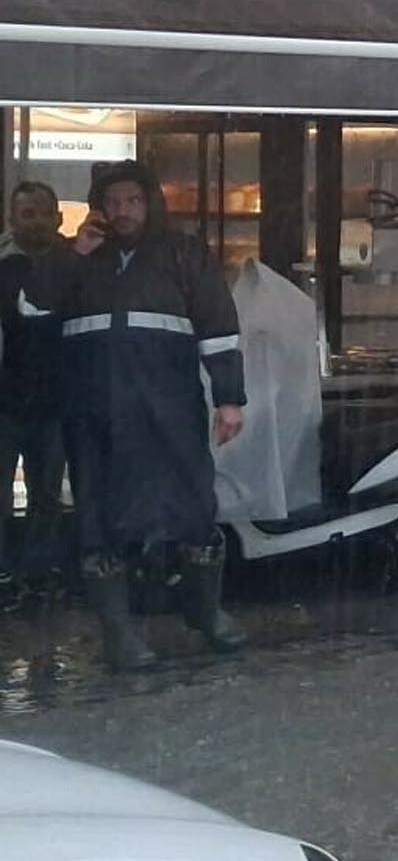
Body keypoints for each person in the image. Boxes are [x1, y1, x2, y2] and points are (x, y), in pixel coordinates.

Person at [11, 161, 247, 668]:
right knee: (98, 515)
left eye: (132, 201)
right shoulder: (72, 258)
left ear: (150, 203)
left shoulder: (185, 253)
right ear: (99, 206)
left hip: (169, 408)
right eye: (113, 202)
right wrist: (72, 255)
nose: (122, 212)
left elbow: (219, 326)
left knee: (193, 504)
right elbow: (30, 309)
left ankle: (206, 612)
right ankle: (120, 635)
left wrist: (230, 398)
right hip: (93, 413)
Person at [0, 182, 72, 584]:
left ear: (59, 217)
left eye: (44, 212)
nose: (38, 222)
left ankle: (39, 574)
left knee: (48, 493)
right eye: (28, 214)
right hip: (5, 400)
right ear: (12, 219)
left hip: (56, 401)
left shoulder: (76, 265)